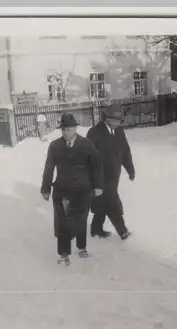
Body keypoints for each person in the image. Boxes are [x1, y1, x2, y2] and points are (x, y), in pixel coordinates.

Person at [40, 114, 104, 265]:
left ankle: (81, 247)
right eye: (64, 130)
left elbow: (96, 166)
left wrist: (98, 186)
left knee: (80, 219)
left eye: (69, 129)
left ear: (75, 129)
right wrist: (46, 188)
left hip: (82, 189)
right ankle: (63, 253)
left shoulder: (86, 145)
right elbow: (49, 167)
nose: (66, 133)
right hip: (62, 189)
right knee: (62, 222)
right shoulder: (55, 146)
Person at [86, 104, 135, 240]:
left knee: (102, 202)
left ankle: (96, 229)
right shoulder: (94, 133)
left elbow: (125, 151)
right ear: (107, 118)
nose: (118, 123)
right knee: (112, 202)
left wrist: (130, 169)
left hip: (114, 175)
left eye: (120, 121)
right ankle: (122, 231)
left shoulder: (119, 131)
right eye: (116, 120)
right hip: (99, 176)